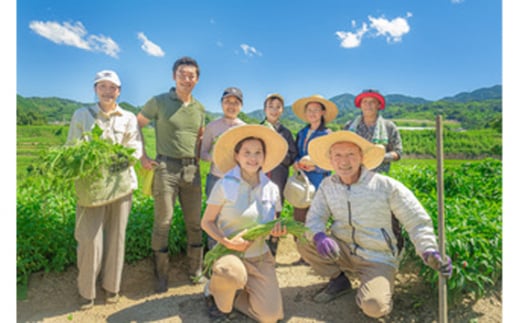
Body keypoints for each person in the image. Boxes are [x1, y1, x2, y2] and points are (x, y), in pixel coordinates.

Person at [296, 130, 452, 319]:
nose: (344, 161)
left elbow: (416, 221)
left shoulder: (385, 186)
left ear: (361, 156)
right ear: (331, 159)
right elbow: (315, 218)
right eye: (338, 155)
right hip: (343, 249)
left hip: (377, 256)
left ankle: (375, 284)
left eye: (350, 154)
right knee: (305, 241)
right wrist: (319, 236)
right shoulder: (328, 185)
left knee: (374, 307)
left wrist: (429, 251)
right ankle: (339, 280)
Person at [67, 70, 143, 310]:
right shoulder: (82, 115)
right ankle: (86, 291)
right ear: (95, 89)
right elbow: (71, 147)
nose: (108, 91)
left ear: (119, 91)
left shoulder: (128, 117)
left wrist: (113, 163)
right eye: (103, 87)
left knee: (116, 238)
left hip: (120, 186)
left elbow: (135, 149)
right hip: (90, 187)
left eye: (113, 87)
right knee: (89, 240)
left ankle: (112, 286)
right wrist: (88, 162)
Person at [200, 124, 289, 323]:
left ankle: (240, 294)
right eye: (247, 152)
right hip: (230, 255)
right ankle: (214, 291)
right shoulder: (224, 184)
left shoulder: (271, 189)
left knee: (270, 316)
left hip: (259, 256)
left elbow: (272, 223)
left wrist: (277, 232)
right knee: (230, 274)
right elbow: (206, 222)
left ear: (264, 157)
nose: (253, 157)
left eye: (258, 152)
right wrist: (228, 243)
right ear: (237, 156)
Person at [137, 56, 206, 293]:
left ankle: (195, 271)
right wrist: (143, 155)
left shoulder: (199, 108)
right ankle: (161, 276)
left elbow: (199, 138)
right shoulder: (159, 101)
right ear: (174, 76)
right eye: (182, 75)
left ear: (197, 79)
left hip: (192, 170)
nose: (187, 79)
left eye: (191, 76)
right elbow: (136, 124)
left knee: (195, 223)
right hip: (165, 168)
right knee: (163, 222)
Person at [291, 94, 338, 265]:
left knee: (316, 218)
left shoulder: (328, 135)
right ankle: (304, 254)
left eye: (316, 110)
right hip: (302, 183)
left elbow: (332, 162)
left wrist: (316, 167)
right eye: (309, 110)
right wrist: (297, 163)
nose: (312, 113)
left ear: (322, 112)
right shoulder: (302, 133)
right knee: (299, 218)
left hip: (319, 182)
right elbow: (296, 154)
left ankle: (318, 255)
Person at [200, 87, 246, 249]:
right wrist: (215, 157)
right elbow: (202, 152)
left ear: (241, 106)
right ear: (221, 104)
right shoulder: (212, 127)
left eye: (235, 102)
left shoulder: (245, 128)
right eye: (227, 102)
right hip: (215, 178)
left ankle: (234, 252)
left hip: (238, 180)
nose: (231, 106)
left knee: (236, 217)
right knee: (213, 219)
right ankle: (213, 255)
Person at [260, 93, 298, 257]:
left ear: (282, 110)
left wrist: (277, 154)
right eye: (271, 107)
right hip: (259, 178)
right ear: (265, 109)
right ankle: (257, 247)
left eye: (278, 107)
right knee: (258, 209)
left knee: (276, 210)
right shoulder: (258, 129)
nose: (274, 110)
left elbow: (291, 156)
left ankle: (273, 247)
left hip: (278, 178)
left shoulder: (286, 133)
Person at [343, 89, 403, 173]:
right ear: (360, 105)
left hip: (379, 174)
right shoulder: (349, 126)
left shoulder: (389, 126)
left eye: (372, 102)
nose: (368, 105)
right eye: (365, 102)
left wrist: (379, 157)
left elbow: (398, 153)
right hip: (352, 174)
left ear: (378, 105)